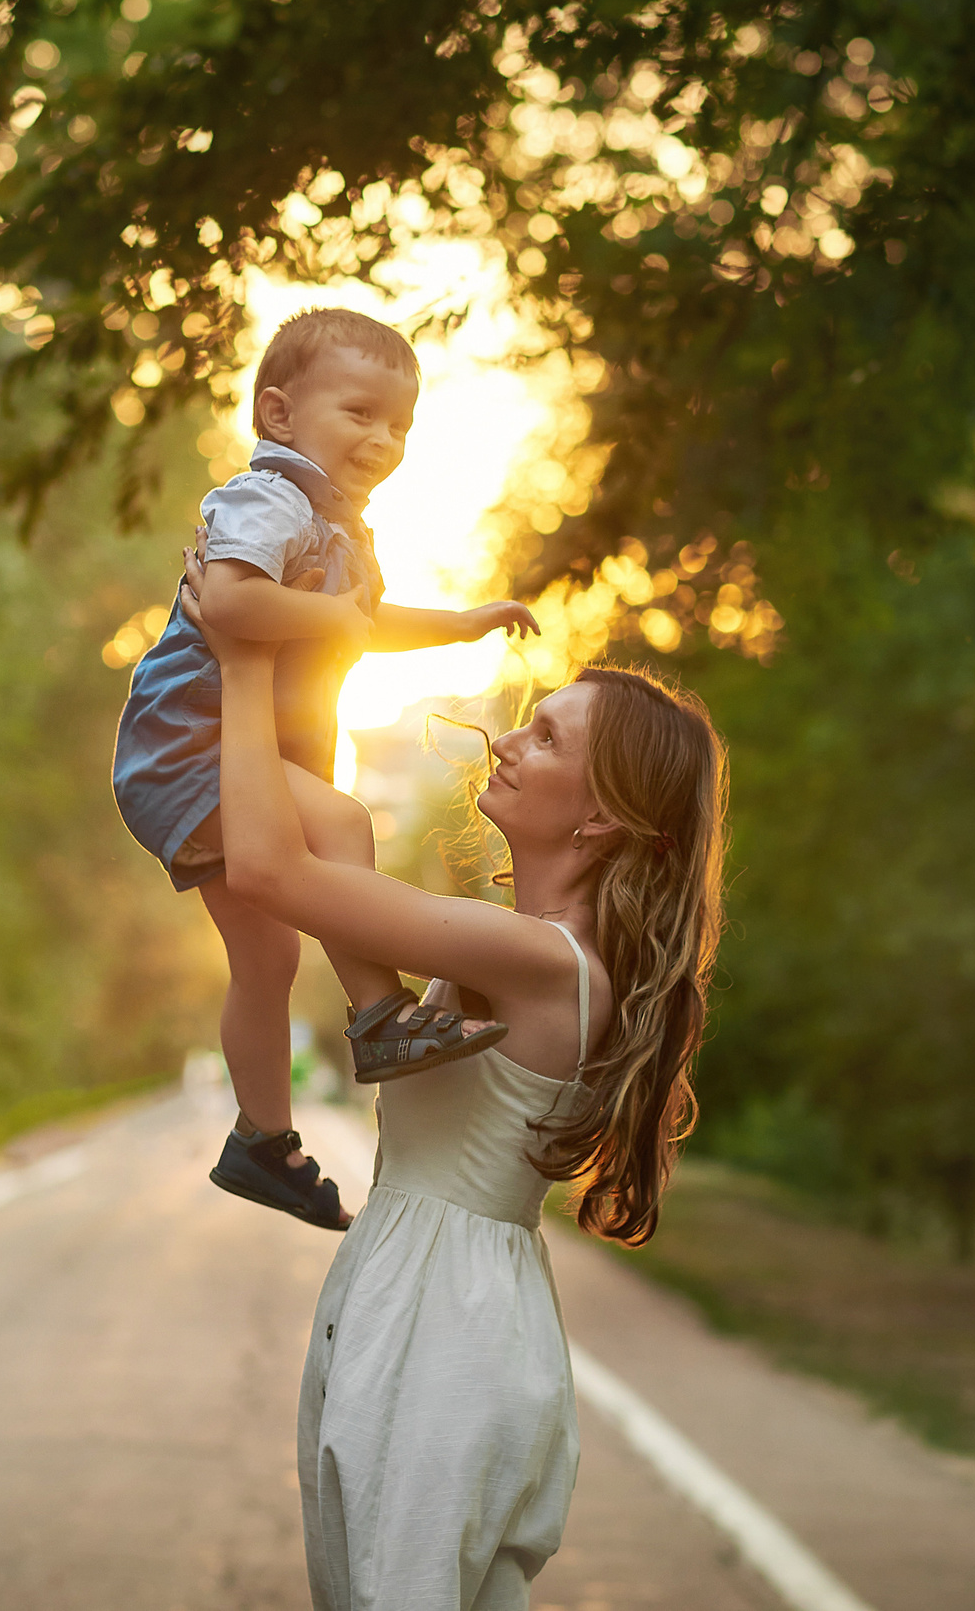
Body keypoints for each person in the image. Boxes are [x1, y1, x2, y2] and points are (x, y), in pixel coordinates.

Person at [191, 567, 729, 1609]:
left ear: (603, 818)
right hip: (414, 1284)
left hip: (448, 1319)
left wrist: (245, 656)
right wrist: (220, 694)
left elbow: (268, 872)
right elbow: (314, 834)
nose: (508, 740)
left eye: (548, 737)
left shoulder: (544, 960)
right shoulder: (518, 946)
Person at [113, 307, 541, 1230]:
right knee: (344, 823)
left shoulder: (340, 526)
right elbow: (232, 601)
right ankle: (381, 1016)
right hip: (189, 744)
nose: (383, 439)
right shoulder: (268, 499)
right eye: (359, 413)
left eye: (400, 424)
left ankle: (262, 1140)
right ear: (279, 413)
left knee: (267, 956)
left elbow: (359, 621)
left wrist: (460, 624)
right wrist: (339, 619)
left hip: (238, 753)